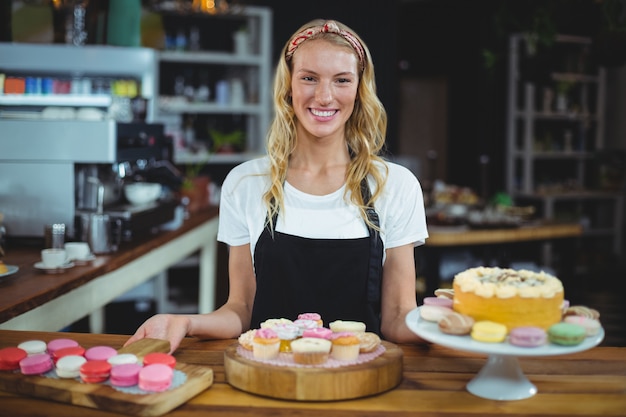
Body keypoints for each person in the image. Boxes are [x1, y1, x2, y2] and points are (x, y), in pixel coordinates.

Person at [125, 19, 428, 353]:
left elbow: (399, 317)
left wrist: (451, 324)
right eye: (309, 78)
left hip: (359, 381)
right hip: (268, 379)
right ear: (289, 86)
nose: (324, 96)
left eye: (342, 80)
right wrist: (185, 322)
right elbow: (241, 310)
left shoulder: (395, 186)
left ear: (359, 89)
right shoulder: (245, 184)